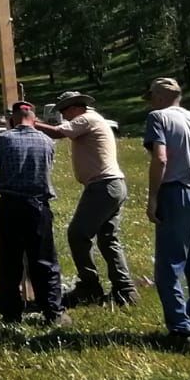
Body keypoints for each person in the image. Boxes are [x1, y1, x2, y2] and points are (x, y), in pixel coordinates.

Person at [33, 90, 139, 307]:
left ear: (74, 107)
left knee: (78, 234)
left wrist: (30, 122)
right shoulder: (93, 119)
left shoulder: (86, 118)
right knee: (108, 238)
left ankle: (90, 286)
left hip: (102, 186)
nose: (63, 114)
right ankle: (125, 289)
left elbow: (57, 132)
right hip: (112, 185)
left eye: (64, 110)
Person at [143, 77, 190, 353]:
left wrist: (153, 198)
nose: (150, 103)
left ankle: (181, 330)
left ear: (159, 97)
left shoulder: (157, 118)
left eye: (151, 97)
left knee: (169, 266)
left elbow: (160, 158)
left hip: (177, 193)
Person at [0, 101, 69, 326]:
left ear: (14, 118)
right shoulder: (46, 141)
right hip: (38, 206)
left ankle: (11, 312)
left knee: (10, 260)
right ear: (34, 118)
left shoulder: (3, 139)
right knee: (44, 259)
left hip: (10, 204)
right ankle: (53, 310)